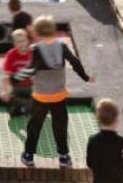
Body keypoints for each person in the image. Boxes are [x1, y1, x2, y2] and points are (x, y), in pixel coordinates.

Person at [20, 14, 91, 167]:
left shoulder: (36, 49)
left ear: (38, 32)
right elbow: (75, 62)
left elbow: (30, 70)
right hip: (59, 95)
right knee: (60, 126)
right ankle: (64, 156)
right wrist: (85, 77)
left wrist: (17, 76)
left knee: (35, 126)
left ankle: (29, 155)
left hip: (41, 96)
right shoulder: (61, 46)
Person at [0, 27, 34, 117]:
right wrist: (5, 91)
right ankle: (24, 104)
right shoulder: (11, 55)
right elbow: (6, 75)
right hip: (16, 87)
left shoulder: (32, 53)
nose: (21, 44)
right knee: (11, 110)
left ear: (27, 40)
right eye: (18, 42)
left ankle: (24, 104)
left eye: (23, 40)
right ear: (14, 43)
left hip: (30, 85)